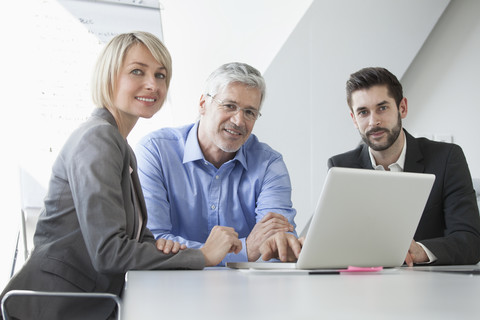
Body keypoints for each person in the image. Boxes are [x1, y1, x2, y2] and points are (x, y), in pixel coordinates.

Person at [0, 32, 241, 320]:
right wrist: (201, 255)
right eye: (137, 71)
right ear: (109, 76)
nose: (153, 84)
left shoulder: (118, 143)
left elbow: (132, 236)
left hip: (83, 304)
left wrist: (159, 246)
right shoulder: (98, 139)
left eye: (161, 75)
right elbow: (109, 252)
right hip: (49, 307)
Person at [135, 62, 297, 265]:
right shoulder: (155, 152)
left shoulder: (269, 164)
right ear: (203, 104)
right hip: (175, 287)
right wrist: (244, 250)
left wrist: (279, 247)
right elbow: (152, 242)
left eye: (249, 112)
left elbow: (275, 245)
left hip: (249, 291)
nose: (239, 121)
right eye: (229, 106)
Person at [327, 66, 480, 266]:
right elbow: (337, 242)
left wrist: (422, 252)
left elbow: (470, 241)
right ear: (354, 119)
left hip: (434, 286)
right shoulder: (340, 167)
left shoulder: (447, 158)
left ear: (402, 108)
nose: (374, 122)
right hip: (366, 288)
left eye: (382, 108)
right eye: (363, 112)